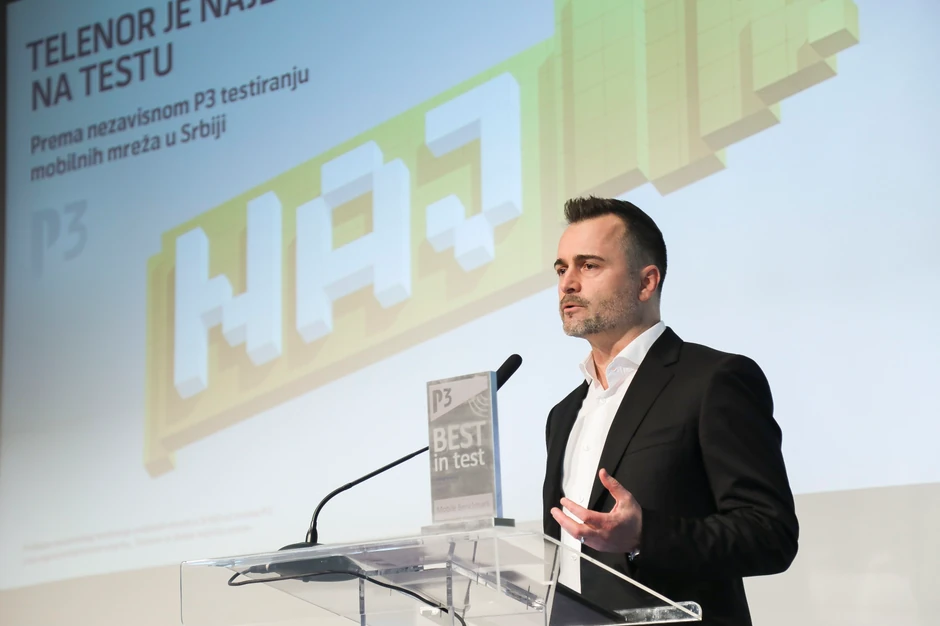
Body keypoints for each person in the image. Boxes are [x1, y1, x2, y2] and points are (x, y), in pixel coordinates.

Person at [542, 196, 799, 626]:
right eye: (561, 268)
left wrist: (645, 535)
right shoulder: (563, 414)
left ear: (646, 283)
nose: (568, 283)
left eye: (589, 266)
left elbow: (771, 534)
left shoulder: (713, 380)